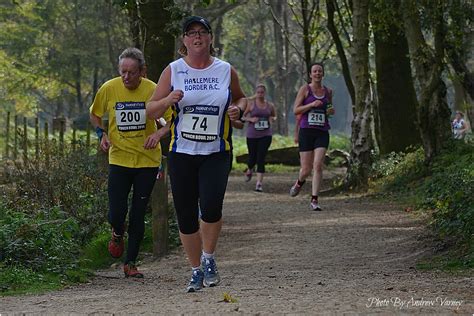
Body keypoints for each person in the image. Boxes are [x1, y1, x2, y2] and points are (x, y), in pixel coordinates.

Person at [146, 16, 247, 293]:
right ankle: (195, 270)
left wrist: (239, 109)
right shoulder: (173, 70)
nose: (197, 37)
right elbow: (151, 110)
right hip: (182, 153)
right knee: (186, 214)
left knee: (212, 206)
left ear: (211, 38)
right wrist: (167, 100)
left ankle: (209, 257)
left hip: (216, 152)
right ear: (184, 40)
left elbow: (241, 97)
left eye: (202, 32)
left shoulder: (225, 69)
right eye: (191, 33)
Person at [89, 47, 172, 278]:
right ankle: (117, 232)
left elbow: (171, 121)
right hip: (119, 158)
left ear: (142, 72)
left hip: (147, 161)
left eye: (131, 73)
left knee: (138, 213)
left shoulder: (154, 90)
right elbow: (94, 114)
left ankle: (131, 263)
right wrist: (101, 134)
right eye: (122, 72)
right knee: (117, 212)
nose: (126, 77)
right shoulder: (109, 88)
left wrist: (157, 134)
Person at [289, 62, 335, 211]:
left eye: (320, 71)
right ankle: (299, 182)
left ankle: (314, 199)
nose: (317, 73)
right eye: (314, 71)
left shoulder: (328, 91)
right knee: (306, 169)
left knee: (318, 165)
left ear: (323, 74)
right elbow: (296, 110)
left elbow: (329, 109)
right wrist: (311, 105)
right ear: (310, 74)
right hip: (306, 131)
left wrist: (330, 111)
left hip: (322, 132)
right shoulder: (305, 89)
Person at [242, 84, 277, 192]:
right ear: (256, 93)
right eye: (258, 92)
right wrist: (251, 120)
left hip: (265, 135)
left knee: (261, 158)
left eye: (262, 92)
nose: (260, 94)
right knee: (252, 157)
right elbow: (242, 116)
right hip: (252, 135)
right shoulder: (251, 105)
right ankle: (249, 169)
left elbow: (274, 116)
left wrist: (272, 119)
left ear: (265, 93)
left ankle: (259, 184)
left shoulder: (270, 105)